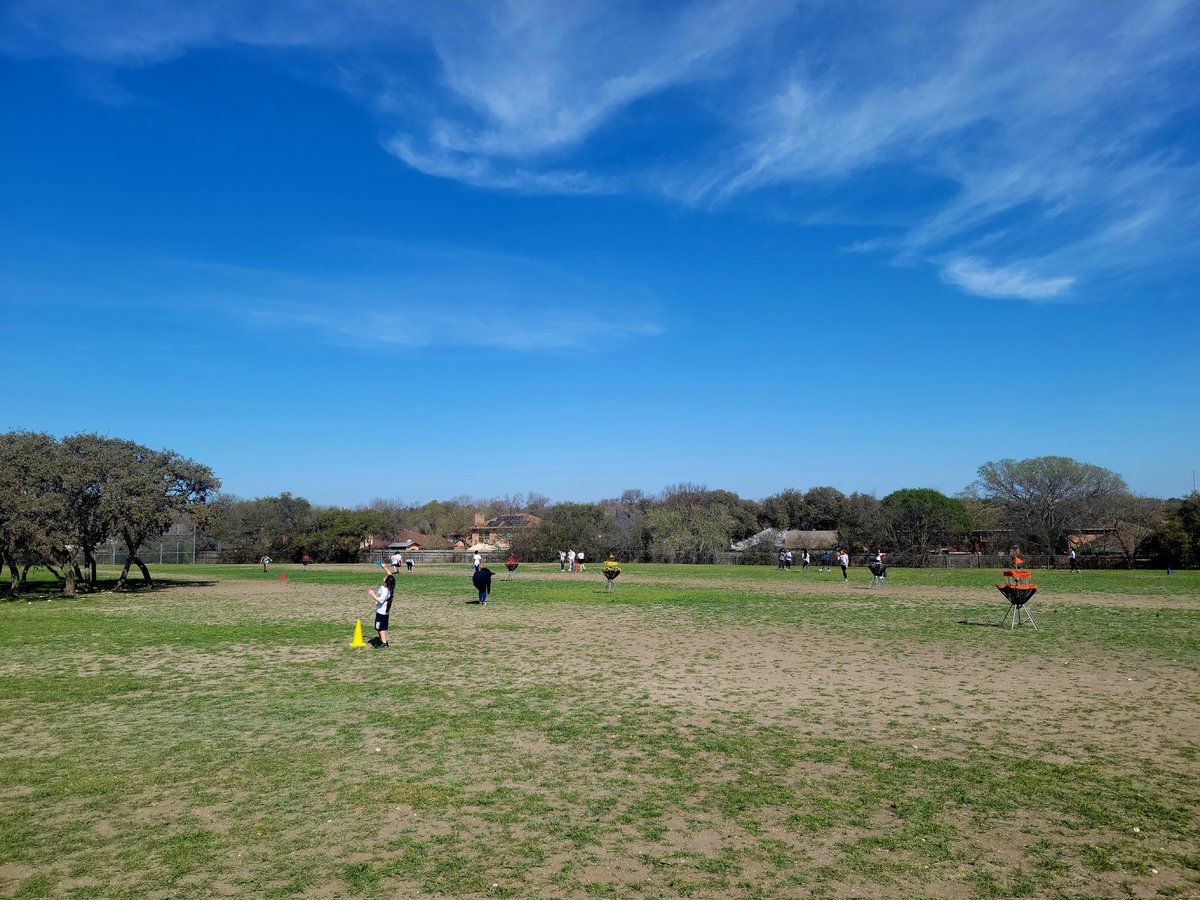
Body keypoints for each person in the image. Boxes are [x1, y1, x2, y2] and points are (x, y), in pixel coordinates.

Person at [369, 562, 397, 648]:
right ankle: (381, 640)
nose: (385, 576)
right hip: (382, 611)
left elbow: (380, 601)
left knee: (380, 627)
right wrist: (384, 567)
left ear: (387, 581)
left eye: (386, 577)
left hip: (382, 612)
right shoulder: (388, 586)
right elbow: (390, 575)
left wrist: (372, 594)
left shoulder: (385, 590)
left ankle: (384, 642)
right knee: (378, 627)